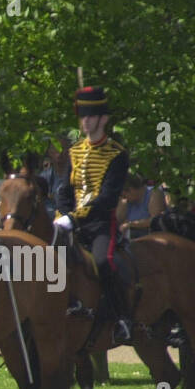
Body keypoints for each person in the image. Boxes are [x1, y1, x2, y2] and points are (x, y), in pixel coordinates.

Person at [54, 85, 132, 345]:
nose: (85, 121)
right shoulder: (74, 151)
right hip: (70, 224)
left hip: (100, 224)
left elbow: (107, 198)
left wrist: (74, 218)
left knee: (102, 262)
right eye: (82, 116)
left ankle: (121, 317)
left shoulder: (117, 154)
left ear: (104, 119)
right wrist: (62, 214)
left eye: (91, 115)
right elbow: (64, 189)